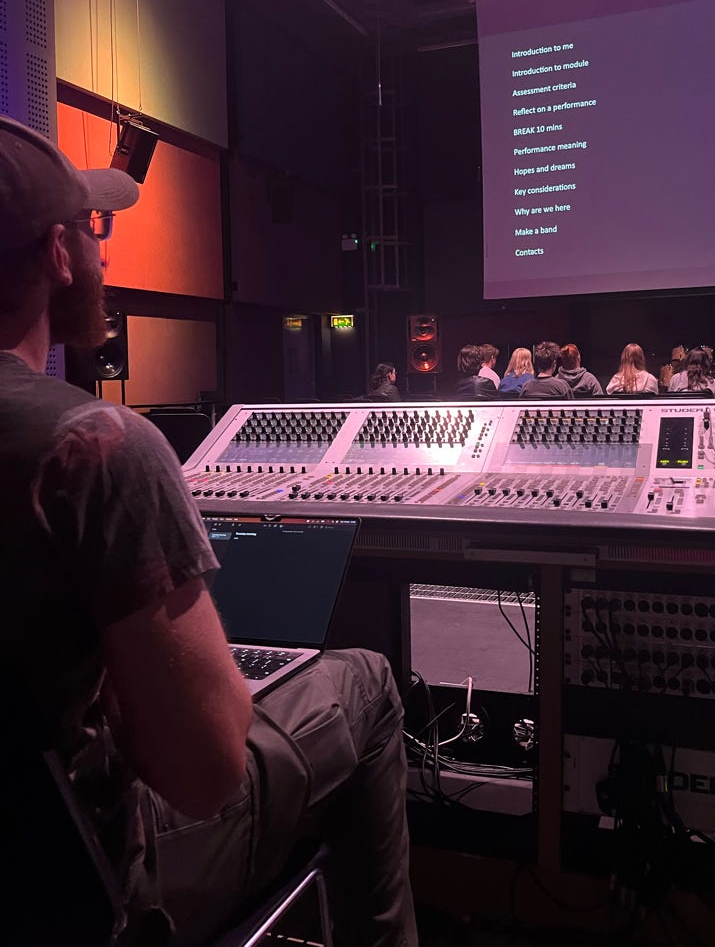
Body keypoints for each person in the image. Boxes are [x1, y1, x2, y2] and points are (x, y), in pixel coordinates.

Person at [0, 116, 416, 947]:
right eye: (89, 228)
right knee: (365, 683)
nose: (103, 250)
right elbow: (205, 774)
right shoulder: (96, 448)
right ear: (56, 255)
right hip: (87, 887)